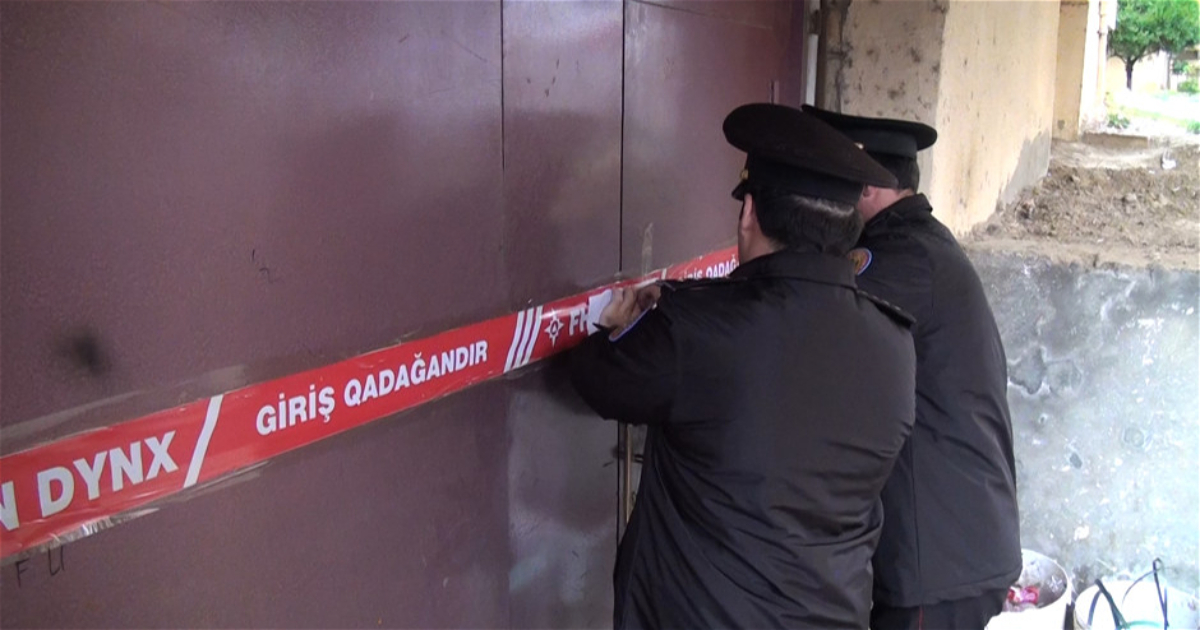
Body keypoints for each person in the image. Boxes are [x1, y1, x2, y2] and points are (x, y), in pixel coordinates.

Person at [569, 103, 918, 630]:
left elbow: (599, 378)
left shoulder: (697, 331)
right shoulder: (895, 345)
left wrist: (616, 326)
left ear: (749, 212)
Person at [803, 105, 1022, 630]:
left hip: (939, 559)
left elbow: (810, 321)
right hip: (952, 548)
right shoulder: (918, 245)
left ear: (866, 187)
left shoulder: (901, 260)